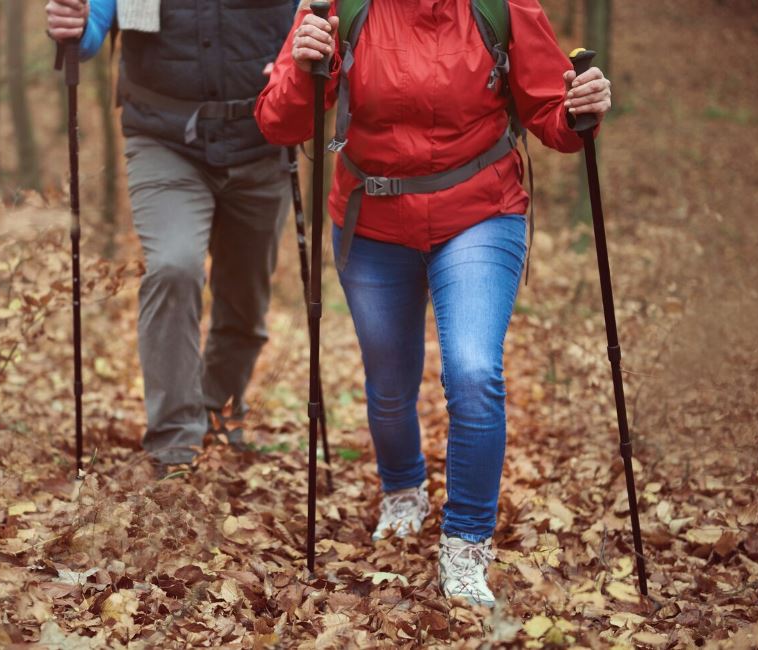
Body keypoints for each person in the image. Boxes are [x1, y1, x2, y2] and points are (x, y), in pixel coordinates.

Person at [255, 0, 612, 606]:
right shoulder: (339, 7)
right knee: (389, 380)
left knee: (473, 370)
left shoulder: (501, 8)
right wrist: (307, 64)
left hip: (480, 210)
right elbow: (281, 124)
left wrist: (581, 108)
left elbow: (551, 114)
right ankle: (402, 490)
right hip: (371, 220)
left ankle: (467, 543)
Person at [46, 0, 297, 469]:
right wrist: (75, 29)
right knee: (174, 266)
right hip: (164, 140)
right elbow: (94, 21)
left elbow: (321, 15)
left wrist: (309, 62)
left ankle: (215, 407)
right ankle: (176, 439)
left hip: (262, 141)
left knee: (244, 302)